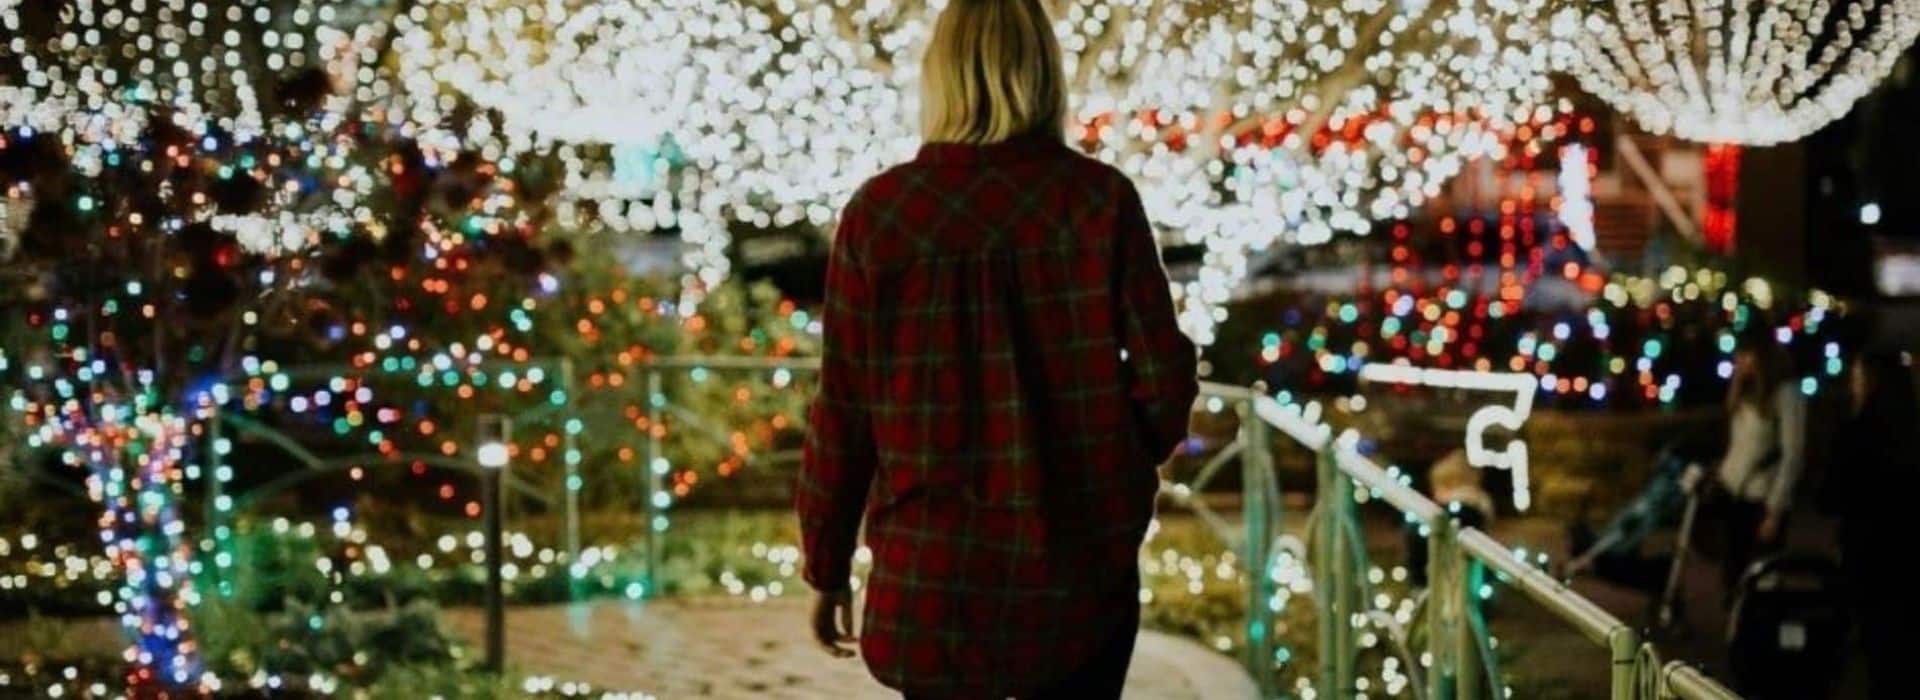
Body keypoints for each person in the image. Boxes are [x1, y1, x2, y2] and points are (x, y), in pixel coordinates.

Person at [792, 1, 1199, 698]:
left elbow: (845, 413)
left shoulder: (879, 216)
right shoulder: (1099, 200)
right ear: (1044, 73)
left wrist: (826, 566)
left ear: (940, 75)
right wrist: (1116, 460)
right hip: (1079, 572)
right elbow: (1164, 377)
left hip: (932, 573)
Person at [1820, 351, 1918, 700]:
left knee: (1879, 648)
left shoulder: (1856, 432)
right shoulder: (1911, 430)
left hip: (1868, 553)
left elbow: (1828, 496)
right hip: (1907, 550)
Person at [1712, 338, 1806, 591]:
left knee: (1762, 579)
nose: (1740, 363)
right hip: (1736, 492)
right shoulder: (1745, 391)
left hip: (1763, 497)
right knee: (1733, 576)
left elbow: (1792, 454)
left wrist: (1774, 510)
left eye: (1746, 356)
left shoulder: (1785, 394)